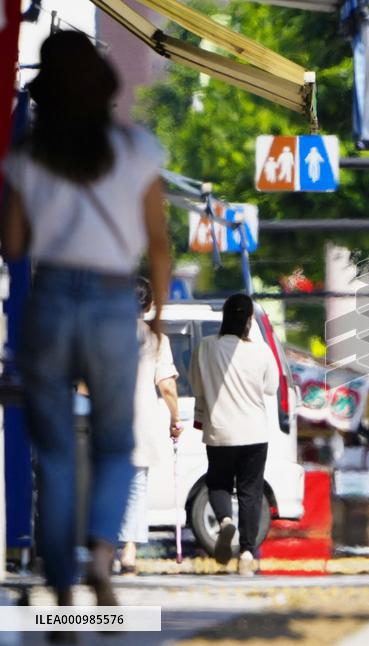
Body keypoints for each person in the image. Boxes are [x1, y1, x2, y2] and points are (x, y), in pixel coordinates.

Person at [0, 31, 170, 610]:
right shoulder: (137, 150)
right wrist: (162, 317)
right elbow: (159, 245)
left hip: (49, 299)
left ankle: (60, 583)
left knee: (51, 449)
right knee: (114, 441)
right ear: (103, 91)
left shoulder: (27, 158)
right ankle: (102, 555)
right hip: (108, 299)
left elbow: (14, 242)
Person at [191, 294, 277, 576]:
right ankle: (248, 554)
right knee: (251, 492)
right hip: (254, 432)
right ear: (250, 320)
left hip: (220, 431)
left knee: (218, 483)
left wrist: (200, 416)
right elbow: (271, 388)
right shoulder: (260, 350)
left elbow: (197, 385)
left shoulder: (206, 347)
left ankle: (226, 520)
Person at [117, 278, 181, 574]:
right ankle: (128, 551)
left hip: (107, 417)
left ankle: (104, 548)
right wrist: (175, 418)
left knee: (105, 482)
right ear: (149, 305)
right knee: (136, 488)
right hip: (141, 421)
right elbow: (167, 385)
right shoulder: (157, 340)